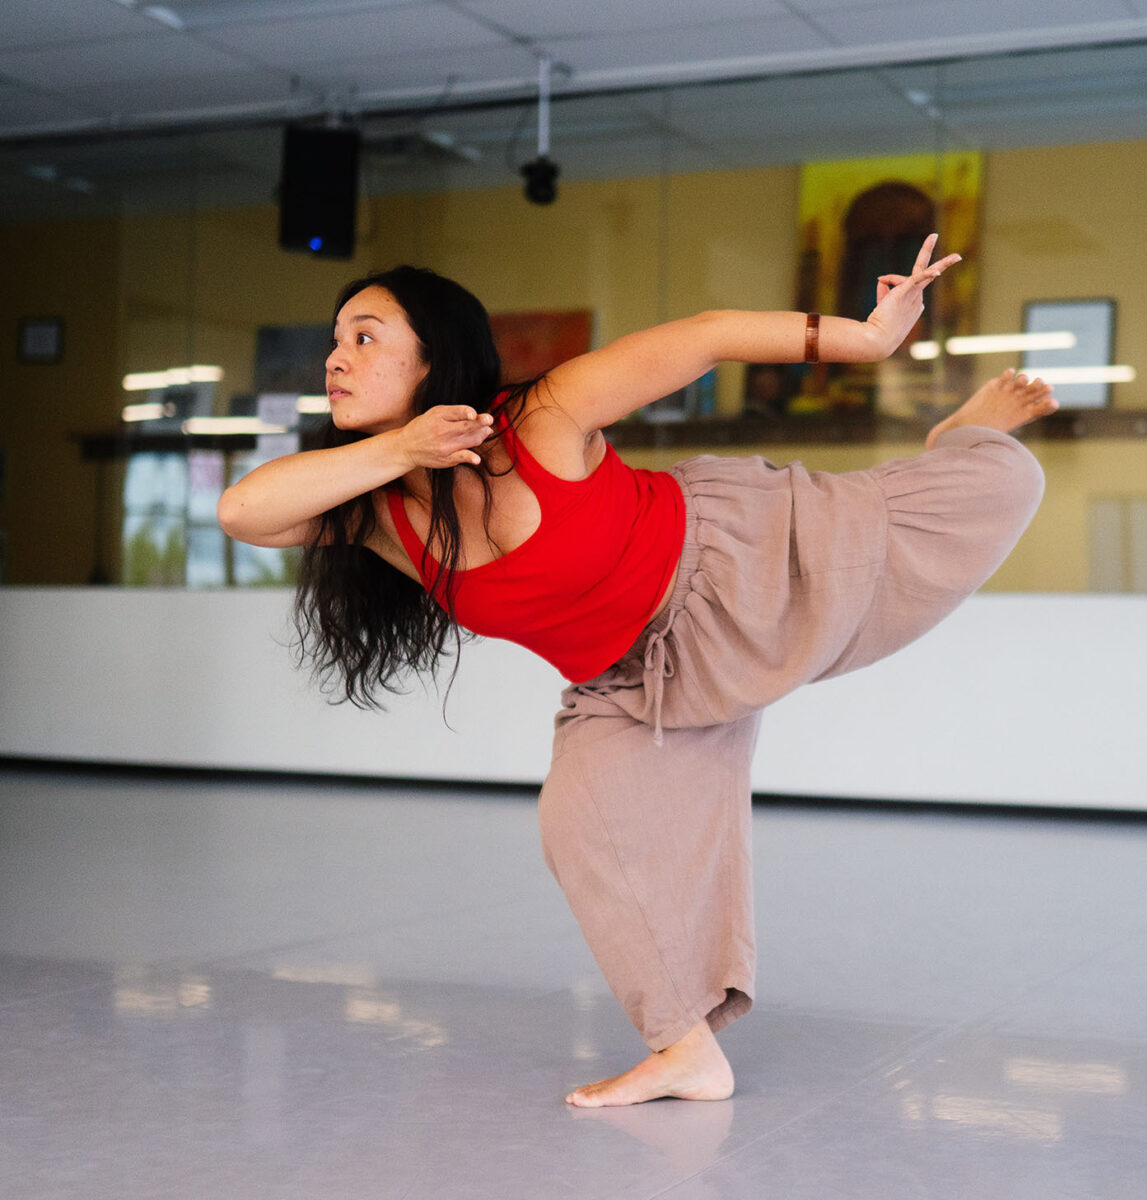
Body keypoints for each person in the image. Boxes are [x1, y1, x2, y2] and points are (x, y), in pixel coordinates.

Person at [218, 235, 1057, 1108]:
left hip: (737, 564)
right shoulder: (375, 515)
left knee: (995, 488)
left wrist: (868, 340)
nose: (335, 359)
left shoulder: (538, 417)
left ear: (435, 356)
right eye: (336, 340)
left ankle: (964, 438)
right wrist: (401, 451)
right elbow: (241, 509)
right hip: (634, 682)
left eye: (365, 337)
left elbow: (707, 335)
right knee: (579, 822)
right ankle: (688, 1050)